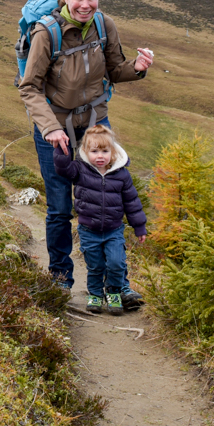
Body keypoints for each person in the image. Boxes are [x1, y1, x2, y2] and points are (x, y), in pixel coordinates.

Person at [17, 0, 153, 305]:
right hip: (56, 131)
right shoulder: (46, 34)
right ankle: (61, 280)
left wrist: (137, 67)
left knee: (109, 201)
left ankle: (115, 285)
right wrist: (49, 128)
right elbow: (29, 88)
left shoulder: (104, 26)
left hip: (95, 128)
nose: (85, 4)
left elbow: (115, 70)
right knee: (60, 207)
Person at [52, 125, 146, 314]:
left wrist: (139, 226)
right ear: (86, 152)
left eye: (105, 151)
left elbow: (132, 202)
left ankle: (113, 293)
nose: (100, 156)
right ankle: (95, 294)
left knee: (116, 263)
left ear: (113, 151)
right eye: (94, 151)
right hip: (89, 230)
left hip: (114, 230)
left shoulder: (121, 174)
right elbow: (63, 169)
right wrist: (61, 151)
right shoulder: (80, 169)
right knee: (95, 265)